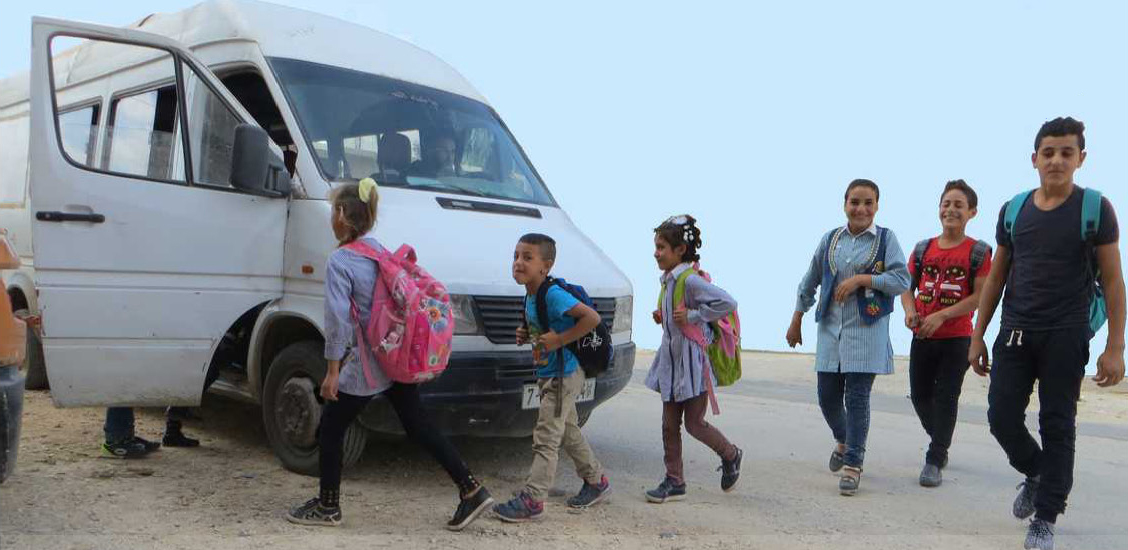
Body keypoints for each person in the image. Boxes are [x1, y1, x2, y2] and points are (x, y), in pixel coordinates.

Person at [286, 178, 494, 531]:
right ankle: (471, 488)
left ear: (340, 214)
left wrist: (332, 370)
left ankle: (328, 506)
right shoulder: (380, 251)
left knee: (332, 428)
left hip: (366, 364)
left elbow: (337, 320)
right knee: (419, 425)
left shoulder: (341, 260)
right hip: (394, 358)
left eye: (332, 211)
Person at [968, 117, 1124, 550]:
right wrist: (978, 334)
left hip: (1066, 334)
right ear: (1034, 159)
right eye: (1049, 152)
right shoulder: (1015, 209)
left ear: (1080, 159)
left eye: (1066, 152)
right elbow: (997, 275)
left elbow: (1113, 280)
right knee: (1000, 417)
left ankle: (1046, 515)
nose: (1056, 160)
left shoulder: (1095, 208)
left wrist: (1115, 347)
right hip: (1015, 331)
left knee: (1058, 425)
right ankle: (1038, 473)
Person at [787, 179, 910, 496]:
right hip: (830, 332)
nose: (861, 208)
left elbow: (901, 279)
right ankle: (844, 440)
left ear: (877, 206)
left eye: (868, 202)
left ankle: (853, 463)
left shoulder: (886, 239)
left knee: (857, 399)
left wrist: (861, 279)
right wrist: (796, 318)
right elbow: (810, 280)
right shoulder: (831, 240)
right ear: (845, 204)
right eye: (855, 202)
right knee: (827, 396)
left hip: (866, 333)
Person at [493, 233, 611, 522]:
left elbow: (591, 318)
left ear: (546, 266)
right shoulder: (532, 293)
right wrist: (526, 334)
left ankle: (533, 499)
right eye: (516, 255)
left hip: (564, 373)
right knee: (567, 430)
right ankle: (596, 481)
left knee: (546, 436)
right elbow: (542, 325)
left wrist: (559, 340)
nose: (518, 262)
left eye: (527, 257)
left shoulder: (552, 293)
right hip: (550, 372)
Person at [900, 180, 991, 487]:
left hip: (957, 338)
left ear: (972, 212)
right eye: (946, 204)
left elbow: (981, 296)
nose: (951, 210)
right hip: (922, 336)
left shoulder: (978, 252)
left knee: (946, 396)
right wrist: (910, 312)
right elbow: (906, 287)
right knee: (919, 396)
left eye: (958, 205)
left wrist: (941, 315)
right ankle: (941, 437)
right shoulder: (923, 248)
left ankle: (935, 457)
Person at [644, 215, 742, 504]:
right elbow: (674, 318)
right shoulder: (669, 281)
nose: (656, 252)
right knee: (668, 424)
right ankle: (674, 481)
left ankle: (731, 454)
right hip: (671, 364)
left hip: (693, 364)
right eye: (656, 247)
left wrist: (694, 316)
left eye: (662, 247)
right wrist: (662, 315)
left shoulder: (690, 280)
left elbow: (728, 303)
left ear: (680, 251)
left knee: (694, 423)